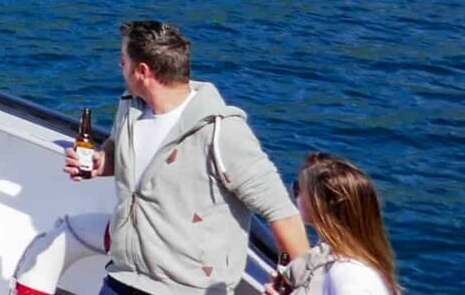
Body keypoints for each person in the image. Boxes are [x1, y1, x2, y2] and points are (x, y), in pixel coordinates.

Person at [63, 20, 310, 295]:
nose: (120, 66)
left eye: (123, 60)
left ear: (142, 71)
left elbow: (281, 211)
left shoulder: (221, 131)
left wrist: (303, 285)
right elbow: (121, 150)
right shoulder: (130, 109)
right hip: (123, 278)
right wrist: (101, 164)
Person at [275, 154, 400, 295]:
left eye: (299, 188)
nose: (294, 193)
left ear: (320, 204)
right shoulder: (336, 257)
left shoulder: (348, 275)